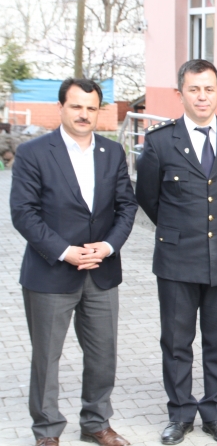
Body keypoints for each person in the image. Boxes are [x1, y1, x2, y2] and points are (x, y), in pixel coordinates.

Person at [136, 59, 217, 445]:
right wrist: (181, 230)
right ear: (181, 93)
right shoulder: (159, 141)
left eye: (209, 89)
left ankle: (215, 412)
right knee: (176, 341)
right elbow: (148, 198)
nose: (202, 96)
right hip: (176, 260)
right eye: (194, 89)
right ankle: (180, 413)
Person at [10, 78, 138, 446]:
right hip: (50, 272)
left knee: (103, 356)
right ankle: (47, 431)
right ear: (61, 108)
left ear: (100, 111)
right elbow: (23, 212)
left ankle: (96, 423)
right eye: (76, 106)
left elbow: (127, 207)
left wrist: (109, 247)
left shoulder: (112, 153)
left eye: (91, 108)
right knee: (46, 359)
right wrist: (65, 251)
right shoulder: (34, 152)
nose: (84, 114)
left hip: (101, 271)